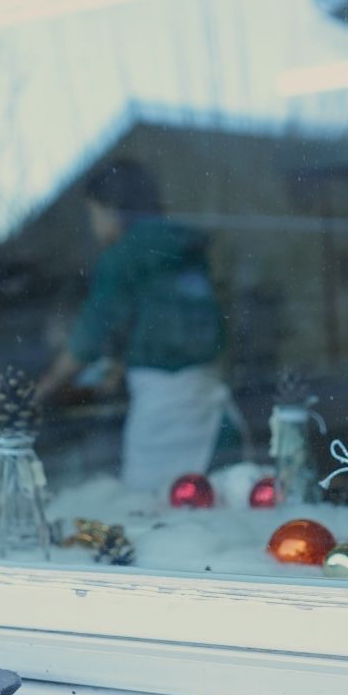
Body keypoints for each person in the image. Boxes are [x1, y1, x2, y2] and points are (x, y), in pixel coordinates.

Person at [41, 158, 236, 493]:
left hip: (164, 419)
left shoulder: (122, 257)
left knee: (153, 508)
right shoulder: (184, 247)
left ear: (112, 208)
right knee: (214, 507)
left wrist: (43, 389)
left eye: (94, 214)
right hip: (217, 420)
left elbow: (88, 338)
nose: (94, 225)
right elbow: (175, 323)